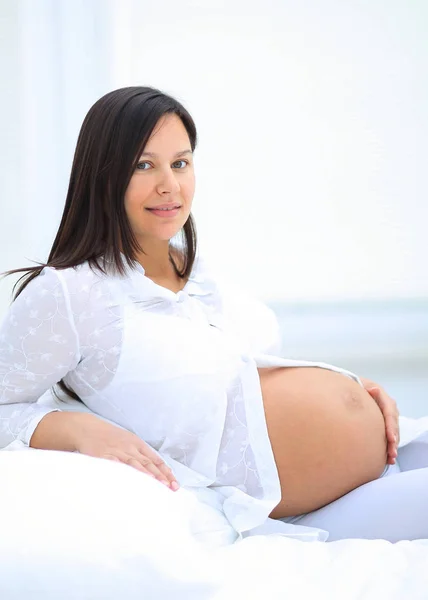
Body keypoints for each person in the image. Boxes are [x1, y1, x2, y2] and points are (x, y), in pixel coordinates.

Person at [1, 86, 427, 543]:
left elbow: (240, 378)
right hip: (296, 508)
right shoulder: (69, 292)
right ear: (102, 175)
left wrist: (353, 391)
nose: (170, 185)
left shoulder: (195, 271)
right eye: (144, 165)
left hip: (384, 444)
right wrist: (73, 427)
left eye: (180, 163)